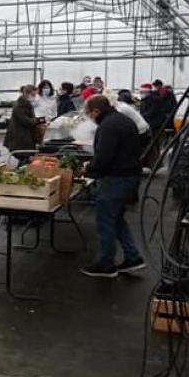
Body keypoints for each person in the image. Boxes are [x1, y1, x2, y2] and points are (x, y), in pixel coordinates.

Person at [79, 96, 146, 278]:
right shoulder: (122, 120)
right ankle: (133, 257)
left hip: (116, 179)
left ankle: (106, 264)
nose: (88, 117)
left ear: (96, 111)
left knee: (106, 221)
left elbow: (104, 156)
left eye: (88, 113)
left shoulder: (108, 126)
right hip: (128, 176)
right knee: (116, 219)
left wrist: (89, 170)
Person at [3, 85, 39, 157]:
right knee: (24, 158)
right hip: (19, 140)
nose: (34, 97)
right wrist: (41, 120)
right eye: (32, 95)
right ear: (25, 93)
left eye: (35, 95)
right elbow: (27, 121)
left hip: (24, 139)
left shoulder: (27, 105)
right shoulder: (19, 106)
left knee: (25, 160)